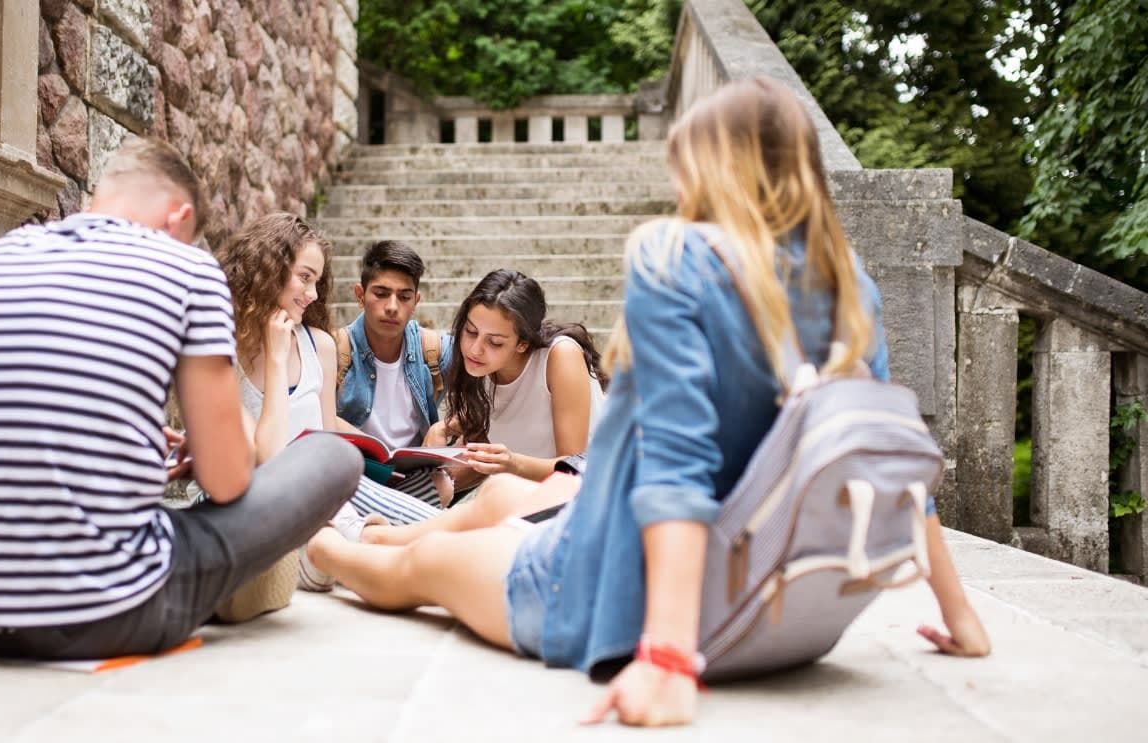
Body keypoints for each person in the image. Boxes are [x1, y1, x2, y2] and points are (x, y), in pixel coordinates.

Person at [303, 77, 991, 727]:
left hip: (623, 601)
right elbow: (886, 451)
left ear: (714, 169)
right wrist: (959, 615)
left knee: (421, 569)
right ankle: (378, 531)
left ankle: (319, 546)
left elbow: (676, 462)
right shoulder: (849, 286)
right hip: (776, 618)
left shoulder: (678, 258)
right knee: (501, 504)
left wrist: (665, 657)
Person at [0, 136, 362, 660]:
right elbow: (227, 483)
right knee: (334, 455)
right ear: (178, 216)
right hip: (109, 612)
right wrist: (212, 452)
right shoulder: (189, 271)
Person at [209, 214, 450, 595]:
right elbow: (270, 460)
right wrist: (275, 359)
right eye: (305, 277)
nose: (314, 295)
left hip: (324, 492)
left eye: (317, 281)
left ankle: (501, 530)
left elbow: (324, 454)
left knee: (434, 525)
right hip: (260, 496)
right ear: (268, 269)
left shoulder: (319, 345)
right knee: (391, 543)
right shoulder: (221, 350)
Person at [422, 269, 607, 498]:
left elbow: (574, 468)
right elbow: (479, 454)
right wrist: (439, 433)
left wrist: (513, 464)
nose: (475, 349)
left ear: (523, 344)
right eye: (470, 331)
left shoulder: (560, 356)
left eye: (495, 342)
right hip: (534, 501)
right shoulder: (483, 369)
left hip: (594, 498)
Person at [334, 240, 454, 506]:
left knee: (443, 484)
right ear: (359, 294)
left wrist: (444, 426)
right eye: (380, 293)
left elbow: (486, 387)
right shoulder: (334, 351)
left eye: (404, 296)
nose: (392, 306)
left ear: (416, 301)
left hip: (409, 477)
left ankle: (378, 525)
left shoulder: (432, 349)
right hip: (349, 479)